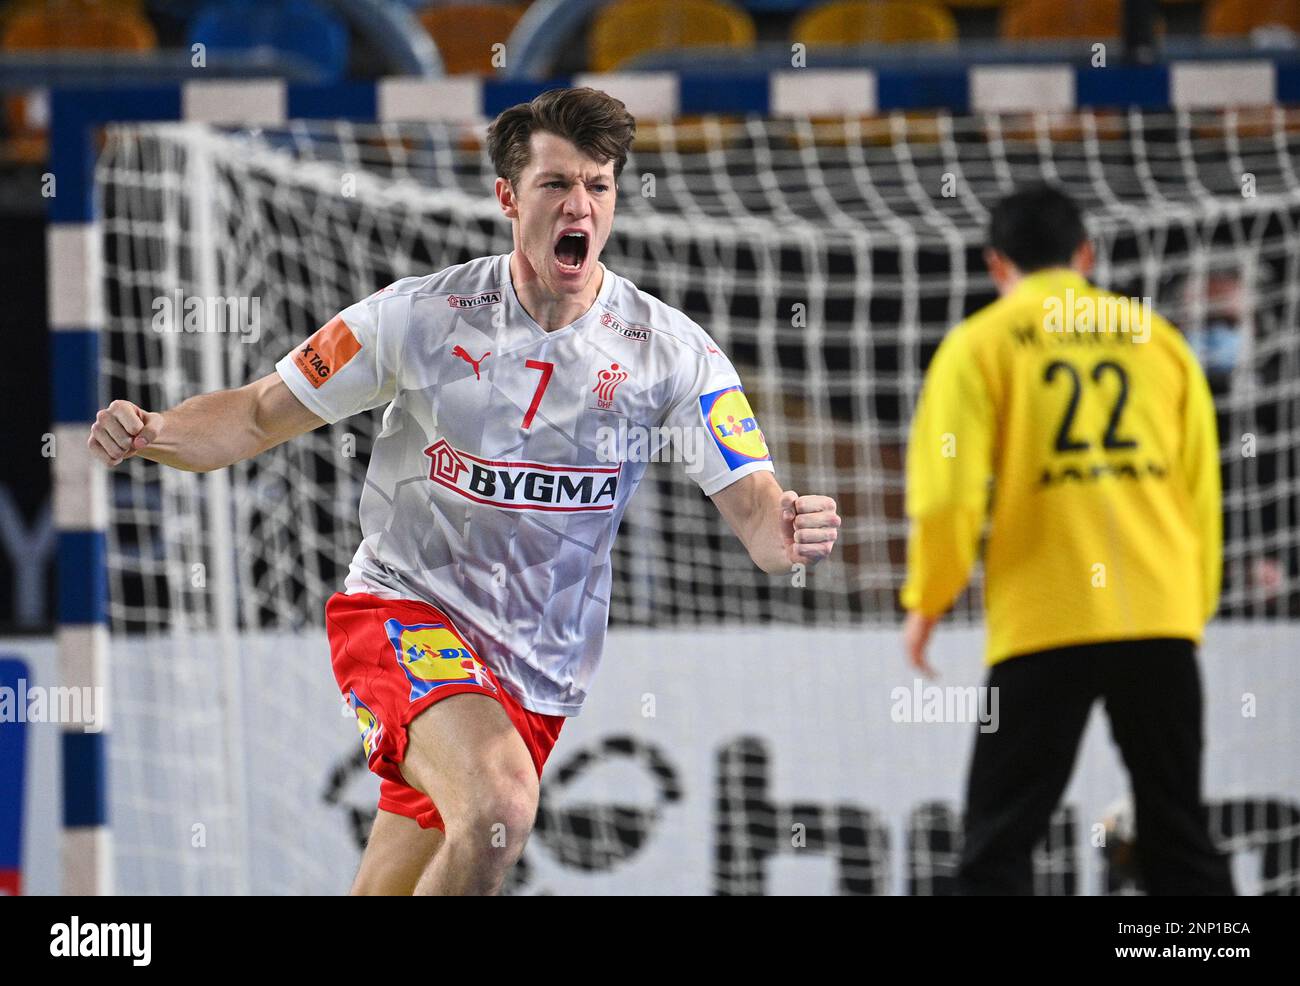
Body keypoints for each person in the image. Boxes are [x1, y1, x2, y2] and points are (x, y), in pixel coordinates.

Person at [87, 87, 841, 895]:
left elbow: (758, 517)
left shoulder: (672, 354)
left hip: (534, 671)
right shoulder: (419, 317)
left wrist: (787, 529)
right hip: (404, 612)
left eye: (598, 184)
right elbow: (255, 416)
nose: (579, 204)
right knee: (500, 808)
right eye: (556, 184)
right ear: (508, 197)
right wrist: (155, 430)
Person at [899, 183, 1234, 896]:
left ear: (996, 264)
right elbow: (1203, 492)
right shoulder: (1160, 341)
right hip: (1159, 617)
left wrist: (928, 600)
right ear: (1086, 253)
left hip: (1046, 621)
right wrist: (1188, 608)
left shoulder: (978, 345)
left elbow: (949, 497)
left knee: (998, 842)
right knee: (1179, 835)